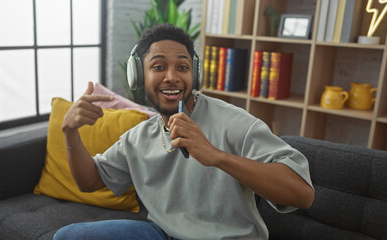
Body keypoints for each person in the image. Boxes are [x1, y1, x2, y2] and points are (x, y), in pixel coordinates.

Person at [54, 23, 314, 240]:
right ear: (138, 77)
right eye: (158, 67)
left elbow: (302, 194)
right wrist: (70, 132)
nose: (172, 77)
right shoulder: (138, 138)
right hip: (161, 234)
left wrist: (217, 156)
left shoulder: (236, 123)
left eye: (182, 67)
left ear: (195, 75)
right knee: (67, 237)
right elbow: (89, 182)